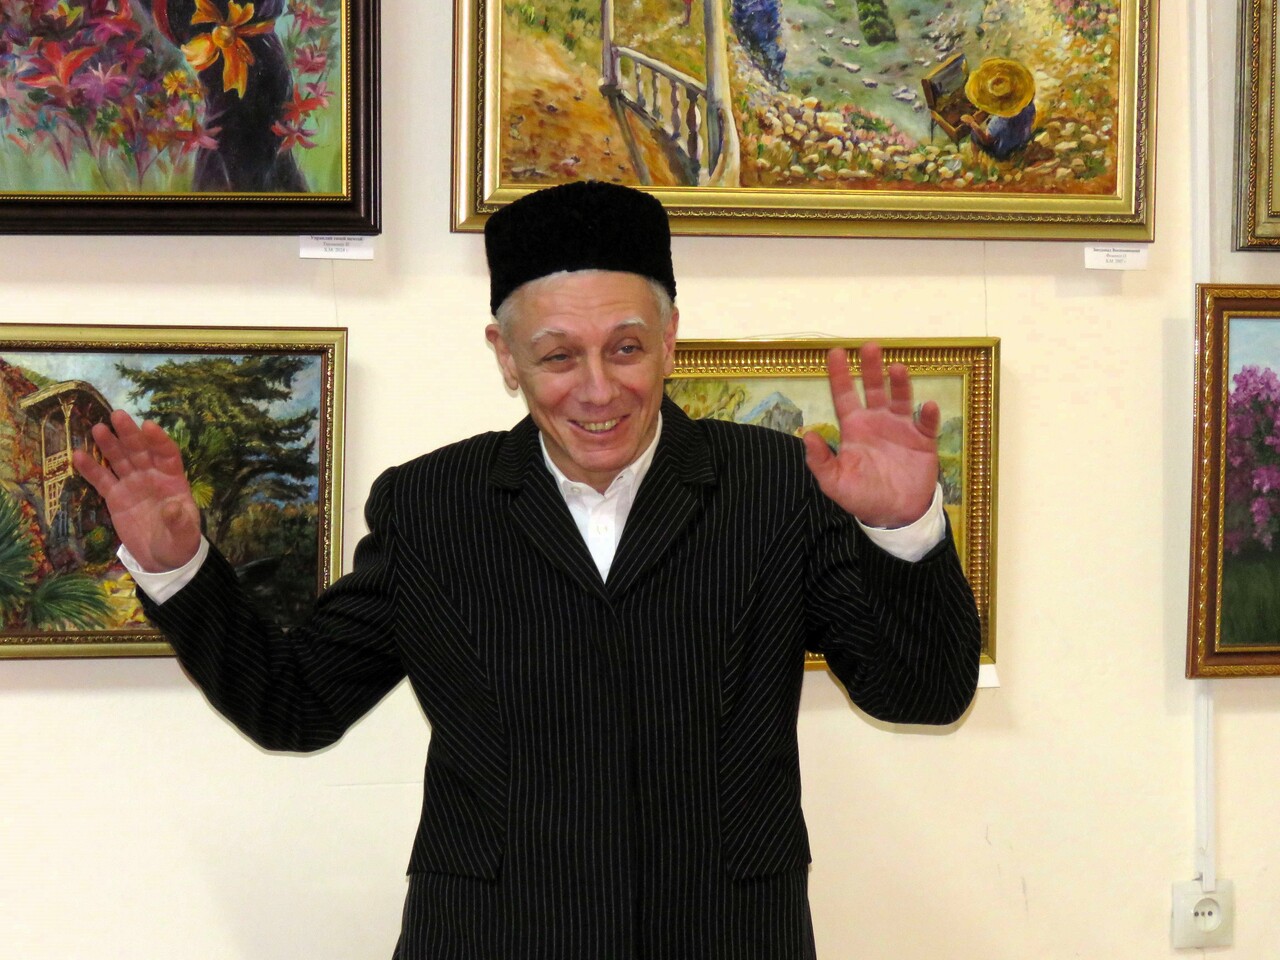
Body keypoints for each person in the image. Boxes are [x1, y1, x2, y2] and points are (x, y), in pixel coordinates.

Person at [72, 180, 980, 959]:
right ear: (506, 358)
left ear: (671, 339)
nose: (598, 388)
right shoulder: (432, 507)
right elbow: (295, 705)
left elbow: (925, 694)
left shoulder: (777, 487)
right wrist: (179, 568)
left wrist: (905, 528)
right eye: (557, 356)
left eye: (626, 347)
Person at [960, 57, 1037, 160]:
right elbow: (1032, 119)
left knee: (974, 134)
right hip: (1023, 139)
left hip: (1004, 151)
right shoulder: (1028, 105)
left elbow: (986, 140)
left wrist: (972, 123)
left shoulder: (999, 122)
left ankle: (975, 158)